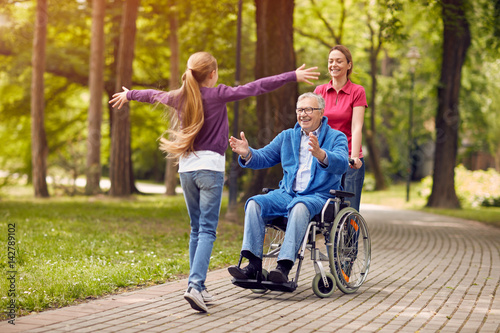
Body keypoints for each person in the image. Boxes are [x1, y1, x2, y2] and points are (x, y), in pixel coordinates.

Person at [109, 51, 320, 312]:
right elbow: (255, 87)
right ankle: (195, 286)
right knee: (207, 230)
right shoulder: (217, 94)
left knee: (196, 228)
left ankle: (200, 286)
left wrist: (130, 94)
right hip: (209, 170)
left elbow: (153, 94)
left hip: (186, 170)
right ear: (212, 74)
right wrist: (292, 76)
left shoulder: (180, 96)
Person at [227, 92, 348, 283]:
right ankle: (253, 266)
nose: (303, 114)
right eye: (300, 110)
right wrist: (247, 153)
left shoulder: (335, 137)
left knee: (299, 206)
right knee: (254, 204)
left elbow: (342, 164)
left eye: (308, 109)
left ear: (321, 112)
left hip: (317, 196)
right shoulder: (287, 137)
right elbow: (264, 157)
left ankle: (283, 268)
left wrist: (321, 154)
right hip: (287, 194)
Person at [314, 45, 367, 212]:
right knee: (323, 208)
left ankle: (351, 238)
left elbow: (357, 126)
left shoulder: (357, 91)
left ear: (349, 65)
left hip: (350, 157)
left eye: (339, 61)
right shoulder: (319, 91)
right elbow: (314, 126)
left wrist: (354, 157)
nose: (333, 65)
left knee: (349, 209)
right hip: (326, 156)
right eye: (330, 61)